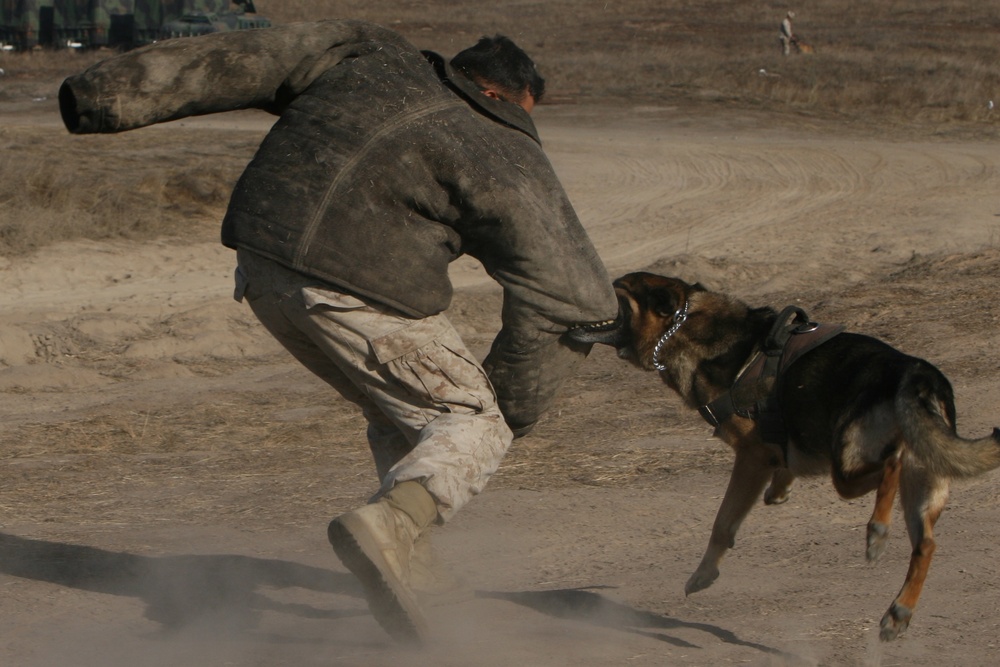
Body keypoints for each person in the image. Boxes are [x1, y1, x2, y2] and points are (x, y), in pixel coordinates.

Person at [58, 20, 619, 643]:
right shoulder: (505, 149)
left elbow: (243, 56)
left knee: (401, 411)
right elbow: (577, 299)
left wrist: (104, 93)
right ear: (501, 98)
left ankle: (417, 568)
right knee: (469, 420)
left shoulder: (370, 57)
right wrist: (510, 414)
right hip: (355, 285)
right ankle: (391, 529)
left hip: (261, 262)